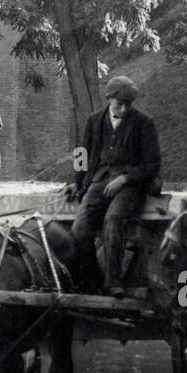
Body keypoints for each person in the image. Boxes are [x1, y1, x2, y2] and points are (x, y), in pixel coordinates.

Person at [66, 75, 161, 297]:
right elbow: (82, 153)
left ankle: (114, 281)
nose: (124, 108)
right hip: (99, 179)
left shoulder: (144, 123)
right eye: (120, 103)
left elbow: (152, 164)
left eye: (128, 104)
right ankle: (92, 280)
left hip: (131, 184)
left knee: (113, 219)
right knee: (79, 229)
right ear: (109, 99)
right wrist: (74, 181)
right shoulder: (94, 121)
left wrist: (126, 178)